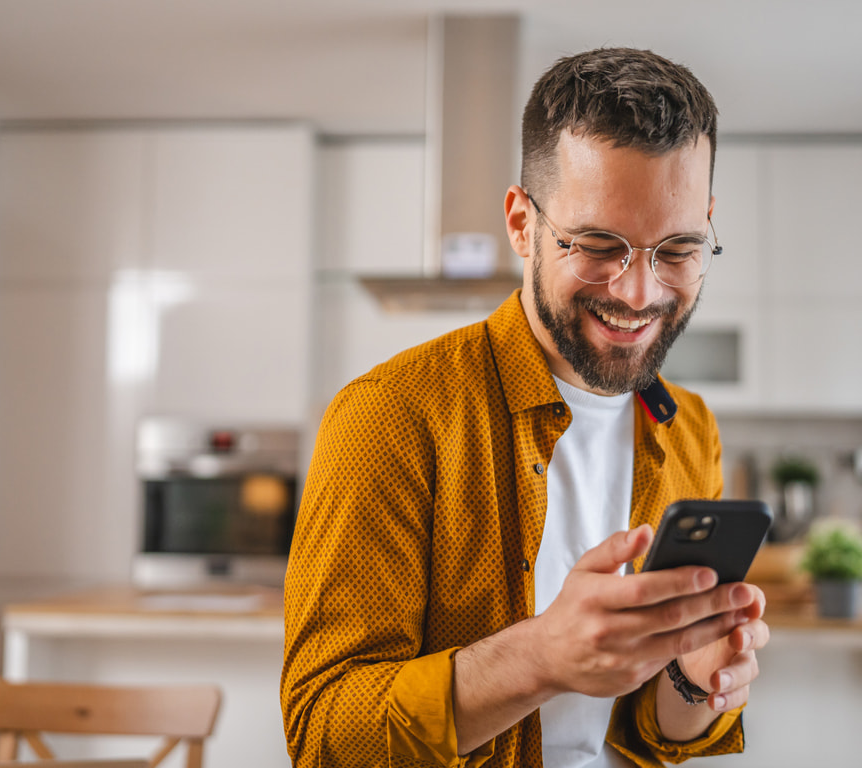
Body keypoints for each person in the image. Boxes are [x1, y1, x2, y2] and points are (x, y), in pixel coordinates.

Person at [281, 47, 768, 768]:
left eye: (676, 249)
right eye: (598, 245)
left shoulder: (687, 426)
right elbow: (324, 736)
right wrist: (538, 658)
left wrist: (693, 682)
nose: (638, 293)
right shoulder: (388, 417)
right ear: (521, 223)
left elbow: (653, 735)